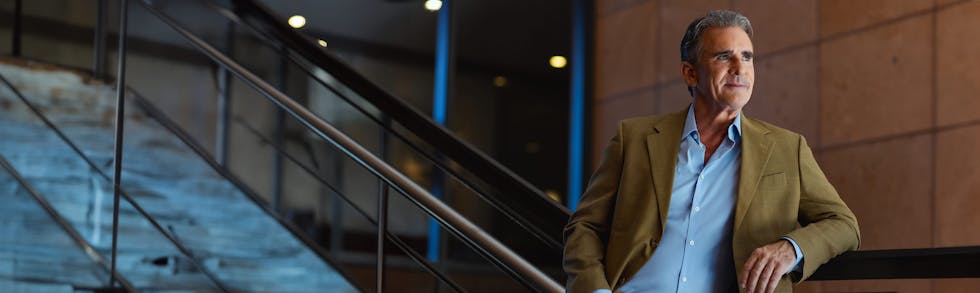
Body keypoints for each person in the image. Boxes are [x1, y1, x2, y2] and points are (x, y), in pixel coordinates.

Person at [563, 10, 860, 293]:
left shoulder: (787, 149)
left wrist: (790, 249)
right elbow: (585, 226)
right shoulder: (634, 139)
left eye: (747, 57)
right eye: (723, 56)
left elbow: (844, 224)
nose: (740, 68)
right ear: (690, 73)